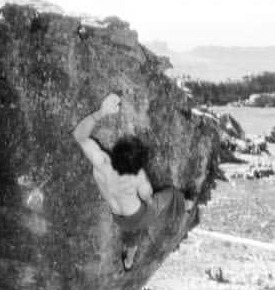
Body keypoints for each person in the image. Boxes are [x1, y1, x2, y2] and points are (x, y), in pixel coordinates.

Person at [72, 92, 194, 270]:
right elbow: (148, 196)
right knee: (171, 195)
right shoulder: (138, 176)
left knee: (131, 229)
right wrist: (150, 200)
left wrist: (102, 112)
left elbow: (79, 135)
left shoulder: (101, 163)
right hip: (138, 215)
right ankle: (187, 205)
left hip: (118, 218)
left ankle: (128, 259)